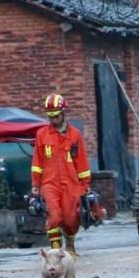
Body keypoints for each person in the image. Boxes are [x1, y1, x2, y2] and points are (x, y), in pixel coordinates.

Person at [31, 93, 92, 253]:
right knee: (54, 216)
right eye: (50, 117)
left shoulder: (75, 135)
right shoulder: (42, 135)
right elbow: (37, 162)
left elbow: (82, 162)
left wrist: (85, 184)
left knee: (71, 219)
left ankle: (70, 243)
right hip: (49, 183)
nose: (53, 120)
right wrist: (36, 185)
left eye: (56, 116)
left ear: (63, 113)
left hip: (71, 183)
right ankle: (56, 252)